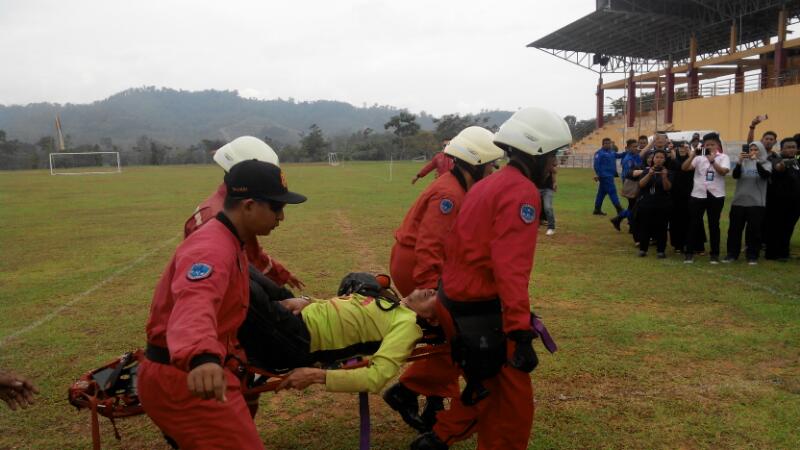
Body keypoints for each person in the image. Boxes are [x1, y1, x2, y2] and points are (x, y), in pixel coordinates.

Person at [411, 107, 571, 450]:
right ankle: (436, 438)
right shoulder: (520, 193)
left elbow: (457, 248)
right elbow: (510, 269)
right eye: (554, 156)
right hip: (483, 315)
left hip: (457, 305)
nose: (555, 165)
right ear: (537, 153)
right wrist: (519, 332)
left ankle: (436, 439)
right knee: (511, 413)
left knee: (486, 389)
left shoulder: (487, 186)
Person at [137, 160, 306, 450]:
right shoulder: (211, 247)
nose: (281, 217)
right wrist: (202, 357)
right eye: (277, 208)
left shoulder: (231, 239)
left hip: (211, 367)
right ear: (249, 205)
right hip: (189, 377)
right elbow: (195, 302)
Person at [385, 127, 504, 432]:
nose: (493, 172)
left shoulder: (457, 187)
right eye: (491, 166)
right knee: (456, 333)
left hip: (430, 267)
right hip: (418, 268)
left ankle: (434, 402)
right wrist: (430, 292)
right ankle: (407, 390)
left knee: (446, 335)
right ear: (476, 164)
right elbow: (429, 245)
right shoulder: (449, 193)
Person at [247, 286, 439, 394]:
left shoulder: (407, 324)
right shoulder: (390, 301)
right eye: (437, 288)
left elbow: (376, 378)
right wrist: (308, 300)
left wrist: (315, 376)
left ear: (434, 319)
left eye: (439, 297)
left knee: (238, 279)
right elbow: (341, 306)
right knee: (238, 257)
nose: (433, 290)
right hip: (298, 315)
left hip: (295, 337)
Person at [185, 136, 304, 290]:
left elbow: (252, 254)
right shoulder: (215, 221)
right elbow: (199, 298)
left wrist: (280, 274)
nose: (281, 217)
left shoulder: (233, 213)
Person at [681, 132, 730, 264]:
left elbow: (723, 172)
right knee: (694, 224)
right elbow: (684, 168)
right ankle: (689, 253)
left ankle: (714, 254)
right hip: (698, 194)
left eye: (712, 144)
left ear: (718, 145)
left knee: (714, 225)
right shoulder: (698, 158)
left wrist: (712, 160)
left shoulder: (723, 157)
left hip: (716, 195)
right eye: (707, 144)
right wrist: (692, 155)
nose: (709, 146)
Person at [724, 142, 772, 264]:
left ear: (761, 151)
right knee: (734, 230)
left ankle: (752, 255)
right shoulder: (743, 162)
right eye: (751, 149)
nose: (753, 151)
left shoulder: (766, 163)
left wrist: (757, 161)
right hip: (739, 202)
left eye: (756, 150)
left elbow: (765, 175)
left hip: (756, 203)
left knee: (754, 231)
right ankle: (732, 254)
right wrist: (739, 162)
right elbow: (735, 176)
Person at [764, 138, 800, 260]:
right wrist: (784, 164)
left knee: (788, 228)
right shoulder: (775, 159)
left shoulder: (796, 162)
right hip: (778, 202)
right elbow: (779, 168)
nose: (791, 149)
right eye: (788, 147)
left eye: (793, 147)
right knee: (775, 228)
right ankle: (772, 253)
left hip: (794, 203)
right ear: (782, 149)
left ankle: (784, 252)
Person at [669, 141, 706, 254]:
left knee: (694, 219)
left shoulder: (694, 159)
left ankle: (698, 245)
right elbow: (678, 167)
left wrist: (692, 152)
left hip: (692, 193)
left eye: (684, 147)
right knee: (677, 219)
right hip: (676, 194)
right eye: (680, 147)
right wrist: (673, 153)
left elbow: (697, 164)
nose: (682, 149)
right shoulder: (673, 160)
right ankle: (678, 245)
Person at [635, 150, 673, 258]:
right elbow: (641, 185)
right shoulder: (647, 171)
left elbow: (668, 188)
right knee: (645, 227)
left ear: (665, 160)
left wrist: (664, 176)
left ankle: (661, 250)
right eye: (657, 157)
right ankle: (643, 249)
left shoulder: (668, 172)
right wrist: (649, 175)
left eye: (661, 157)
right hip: (646, 204)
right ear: (653, 159)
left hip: (662, 204)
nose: (659, 160)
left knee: (662, 228)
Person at [611, 139, 641, 232]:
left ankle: (619, 219)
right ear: (628, 148)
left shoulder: (635, 156)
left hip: (635, 184)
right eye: (634, 146)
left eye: (637, 146)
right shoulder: (628, 159)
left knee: (632, 206)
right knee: (634, 207)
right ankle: (631, 226)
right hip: (630, 185)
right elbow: (628, 174)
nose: (636, 148)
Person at [592, 137, 624, 216]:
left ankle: (597, 209)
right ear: (602, 144)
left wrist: (626, 152)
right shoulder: (599, 153)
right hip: (605, 177)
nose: (608, 145)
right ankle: (619, 209)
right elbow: (596, 165)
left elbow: (618, 155)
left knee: (601, 193)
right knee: (612, 192)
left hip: (610, 176)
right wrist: (599, 175)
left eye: (609, 143)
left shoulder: (612, 152)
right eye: (606, 143)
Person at [540, 159, 558, 236]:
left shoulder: (549, 157)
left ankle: (551, 227)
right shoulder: (533, 158)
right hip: (536, 187)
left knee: (548, 207)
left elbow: (554, 171)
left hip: (548, 188)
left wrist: (554, 183)